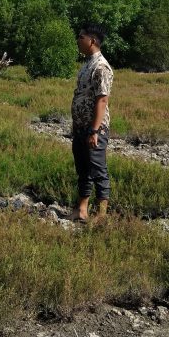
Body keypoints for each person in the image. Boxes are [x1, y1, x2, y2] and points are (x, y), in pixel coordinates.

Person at [71, 24, 113, 223]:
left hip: (94, 128)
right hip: (80, 127)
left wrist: (94, 130)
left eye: (81, 37)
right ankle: (82, 209)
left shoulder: (101, 67)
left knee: (98, 170)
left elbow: (102, 100)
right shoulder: (87, 64)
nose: (78, 40)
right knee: (83, 170)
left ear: (92, 41)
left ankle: (101, 215)